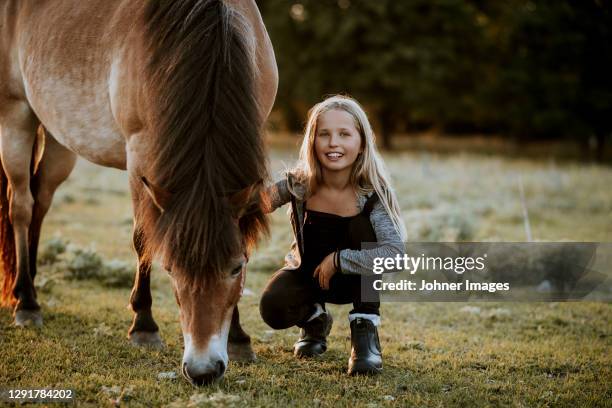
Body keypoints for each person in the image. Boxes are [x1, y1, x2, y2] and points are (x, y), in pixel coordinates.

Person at [259, 95, 406, 375]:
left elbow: (395, 257)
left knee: (360, 228)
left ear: (362, 143)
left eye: (344, 134)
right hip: (309, 277)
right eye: (323, 134)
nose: (333, 143)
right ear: (312, 142)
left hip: (355, 284)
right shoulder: (299, 184)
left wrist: (339, 260)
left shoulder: (372, 195)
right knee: (272, 306)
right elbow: (258, 204)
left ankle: (365, 332)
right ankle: (314, 320)